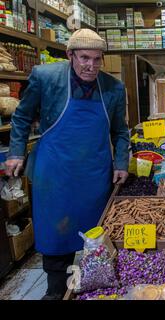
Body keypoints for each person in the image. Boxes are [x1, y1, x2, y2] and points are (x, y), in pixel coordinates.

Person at [5, 29, 130, 300]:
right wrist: (15, 152)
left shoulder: (113, 88)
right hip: (55, 172)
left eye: (97, 59)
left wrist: (121, 162)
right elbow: (22, 117)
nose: (91, 66)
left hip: (94, 173)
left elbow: (120, 131)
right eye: (85, 57)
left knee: (94, 233)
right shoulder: (45, 77)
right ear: (70, 54)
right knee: (56, 234)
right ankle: (55, 291)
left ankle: (91, 284)